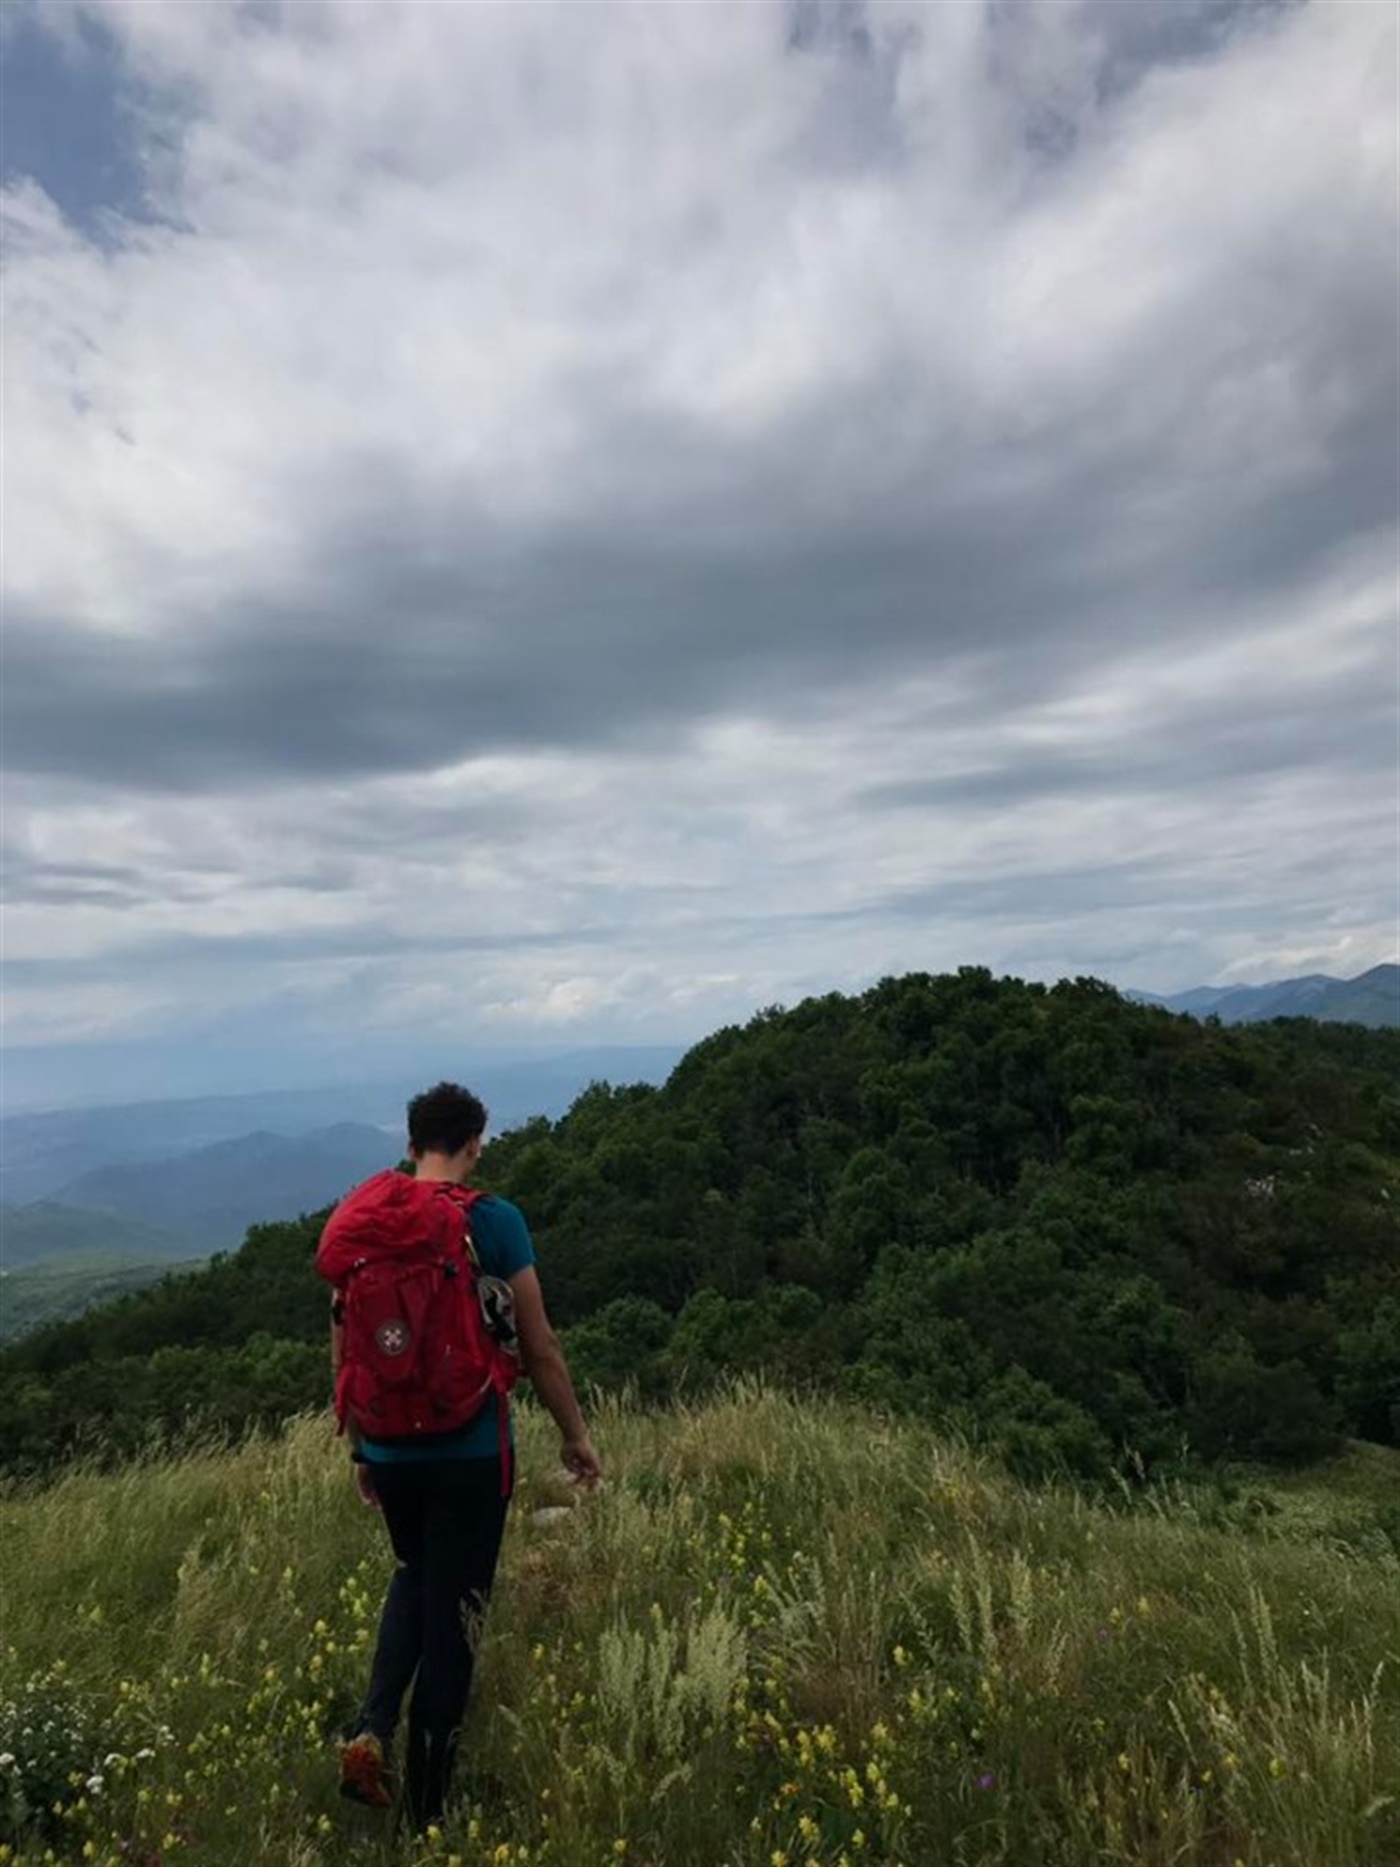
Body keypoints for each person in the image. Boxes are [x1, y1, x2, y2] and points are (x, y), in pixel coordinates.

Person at [327, 1081, 601, 1829]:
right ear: (476, 1143)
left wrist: (360, 1445)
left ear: (411, 1145)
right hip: (473, 1449)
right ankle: (423, 1816)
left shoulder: (363, 1224)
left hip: (386, 1442)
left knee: (416, 1571)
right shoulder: (494, 1221)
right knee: (457, 1620)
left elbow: (346, 1339)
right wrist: (575, 1434)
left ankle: (372, 1727)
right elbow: (538, 1344)